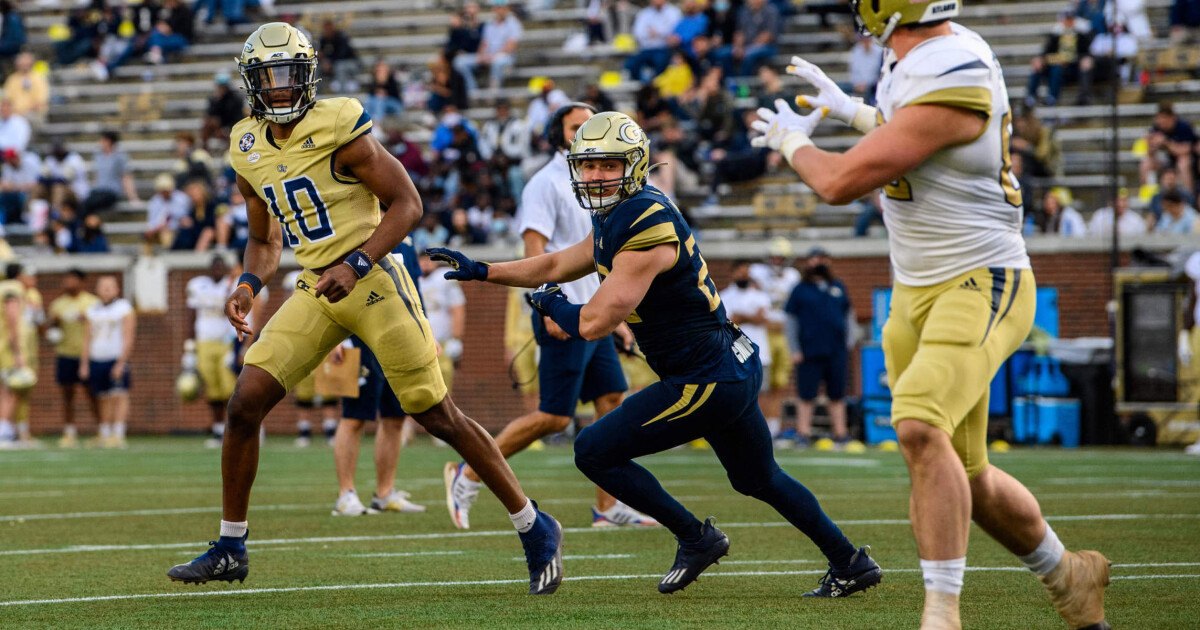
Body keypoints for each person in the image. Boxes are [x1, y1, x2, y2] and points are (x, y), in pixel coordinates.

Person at [166, 23, 564, 595]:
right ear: (251, 83)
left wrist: (354, 264)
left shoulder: (338, 122)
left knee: (435, 414)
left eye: (288, 75)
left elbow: (407, 204)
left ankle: (534, 525)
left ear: (308, 75)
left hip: (372, 278)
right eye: (267, 78)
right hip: (314, 287)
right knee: (244, 403)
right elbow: (264, 236)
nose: (279, 89)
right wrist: (249, 283)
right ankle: (231, 544)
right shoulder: (245, 143)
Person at [753, 3, 1112, 626]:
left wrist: (792, 143)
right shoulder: (920, 55)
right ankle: (1067, 574)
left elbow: (839, 182)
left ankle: (941, 614)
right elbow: (917, 133)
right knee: (966, 474)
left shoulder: (952, 63)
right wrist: (851, 111)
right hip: (916, 291)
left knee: (918, 423)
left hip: (983, 281)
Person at [430, 111, 881, 596]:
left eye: (608, 165)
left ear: (635, 164)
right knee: (760, 478)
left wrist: (551, 303)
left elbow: (593, 322)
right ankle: (850, 563)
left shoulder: (645, 221)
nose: (596, 176)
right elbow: (560, 260)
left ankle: (696, 537)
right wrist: (484, 270)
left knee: (594, 450)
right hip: (721, 363)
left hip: (704, 375)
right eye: (589, 165)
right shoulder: (620, 211)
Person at [443, 104, 658, 531]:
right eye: (577, 127)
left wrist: (612, 319)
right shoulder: (545, 182)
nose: (587, 131)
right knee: (555, 416)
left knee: (611, 400)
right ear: (556, 135)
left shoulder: (598, 181)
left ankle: (608, 507)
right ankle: (467, 473)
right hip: (564, 315)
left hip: (590, 314)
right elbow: (535, 250)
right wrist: (549, 305)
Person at [331, 237, 427, 516]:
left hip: (397, 339)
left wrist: (426, 330)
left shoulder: (405, 239)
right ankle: (345, 494)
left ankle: (385, 493)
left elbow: (414, 291)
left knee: (395, 416)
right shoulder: (355, 231)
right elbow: (328, 280)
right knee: (354, 415)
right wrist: (332, 338)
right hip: (356, 337)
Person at [785, 248, 855, 447]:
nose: (819, 263)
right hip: (808, 351)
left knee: (837, 394)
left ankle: (840, 434)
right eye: (815, 259)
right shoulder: (800, 290)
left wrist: (848, 343)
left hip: (836, 350)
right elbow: (791, 321)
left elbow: (849, 315)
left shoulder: (838, 287)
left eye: (823, 259)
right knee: (806, 394)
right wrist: (794, 349)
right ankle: (803, 434)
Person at [748, 238, 799, 439]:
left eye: (781, 257)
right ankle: (758, 426)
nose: (777, 261)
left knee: (780, 383)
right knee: (761, 383)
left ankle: (773, 427)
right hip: (762, 334)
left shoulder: (793, 276)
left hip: (784, 334)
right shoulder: (757, 273)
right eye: (774, 256)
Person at [79, 275, 135, 449]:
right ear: (97, 289)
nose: (106, 289)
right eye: (103, 286)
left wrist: (120, 362)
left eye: (110, 286)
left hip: (115, 358)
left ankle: (118, 433)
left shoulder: (124, 308)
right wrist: (84, 363)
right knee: (102, 397)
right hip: (97, 358)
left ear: (117, 289)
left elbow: (128, 337)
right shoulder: (92, 310)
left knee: (119, 394)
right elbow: (87, 339)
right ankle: (104, 432)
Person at [46, 269, 100, 448]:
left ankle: (101, 429)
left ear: (82, 282)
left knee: (92, 393)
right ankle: (69, 431)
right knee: (67, 394)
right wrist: (55, 321)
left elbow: (100, 326)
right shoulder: (58, 304)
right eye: (66, 278)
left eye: (72, 279)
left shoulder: (92, 302)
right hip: (65, 353)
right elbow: (51, 330)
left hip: (88, 354)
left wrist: (86, 319)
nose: (68, 282)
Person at [187, 255, 236, 448]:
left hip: (226, 342)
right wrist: (189, 346)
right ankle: (217, 430)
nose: (217, 269)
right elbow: (190, 315)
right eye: (215, 266)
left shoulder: (231, 285)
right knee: (212, 388)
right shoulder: (198, 285)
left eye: (221, 266)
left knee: (229, 387)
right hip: (204, 341)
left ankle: (233, 428)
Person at [452, 2, 522, 93]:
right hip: (489, 56)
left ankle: (494, 94)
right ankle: (473, 91)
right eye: (498, 7)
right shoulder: (489, 24)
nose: (500, 10)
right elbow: (484, 43)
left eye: (502, 8)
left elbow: (510, 47)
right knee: (459, 62)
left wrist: (492, 56)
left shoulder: (513, 23)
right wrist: (482, 55)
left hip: (505, 57)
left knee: (498, 62)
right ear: (494, 9)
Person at [0, 263, 31, 447]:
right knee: (11, 389)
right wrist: (18, 351)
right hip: (6, 348)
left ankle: (5, 428)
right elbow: (12, 316)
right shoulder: (14, 289)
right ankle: (3, 431)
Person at [623, 0, 683, 82]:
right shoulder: (644, 13)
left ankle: (657, 87)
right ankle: (643, 89)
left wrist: (658, 33)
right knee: (630, 64)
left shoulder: (674, 12)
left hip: (664, 48)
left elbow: (675, 33)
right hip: (646, 48)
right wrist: (660, 34)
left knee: (660, 62)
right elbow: (638, 33)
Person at [84, 131, 140, 216]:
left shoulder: (119, 156)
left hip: (111, 192)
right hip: (98, 190)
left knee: (87, 205)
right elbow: (96, 176)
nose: (100, 143)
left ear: (109, 141)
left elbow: (126, 177)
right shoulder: (97, 155)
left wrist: (133, 198)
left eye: (102, 140)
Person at [2, 52, 49, 123]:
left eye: (26, 64)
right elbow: (6, 99)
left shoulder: (39, 79)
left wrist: (22, 112)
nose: (24, 66)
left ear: (31, 64)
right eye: (22, 64)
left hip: (33, 114)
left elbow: (40, 102)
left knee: (26, 119)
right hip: (13, 114)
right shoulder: (12, 79)